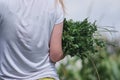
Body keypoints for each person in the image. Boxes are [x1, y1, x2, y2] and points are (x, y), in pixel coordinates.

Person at [0, 0, 65, 80]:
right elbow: (55, 55)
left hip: (8, 77)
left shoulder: (3, 3)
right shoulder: (55, 5)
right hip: (44, 75)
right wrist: (66, 50)